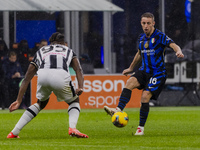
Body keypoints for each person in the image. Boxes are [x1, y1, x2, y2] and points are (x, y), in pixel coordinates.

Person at [104, 12, 184, 135]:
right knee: (129, 82)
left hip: (157, 73)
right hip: (144, 70)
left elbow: (173, 45)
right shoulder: (141, 37)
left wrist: (178, 51)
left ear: (153, 23)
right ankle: (118, 110)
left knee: (145, 96)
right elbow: (139, 53)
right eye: (143, 23)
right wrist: (131, 68)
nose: (146, 26)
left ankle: (140, 128)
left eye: (148, 23)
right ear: (141, 24)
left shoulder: (160, 36)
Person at [7, 32, 88, 138]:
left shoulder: (41, 50)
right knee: (74, 101)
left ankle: (14, 132)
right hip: (60, 75)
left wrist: (18, 100)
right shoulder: (68, 50)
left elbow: (27, 77)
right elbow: (78, 69)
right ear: (63, 43)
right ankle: (72, 128)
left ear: (51, 43)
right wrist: (81, 86)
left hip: (42, 76)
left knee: (41, 103)